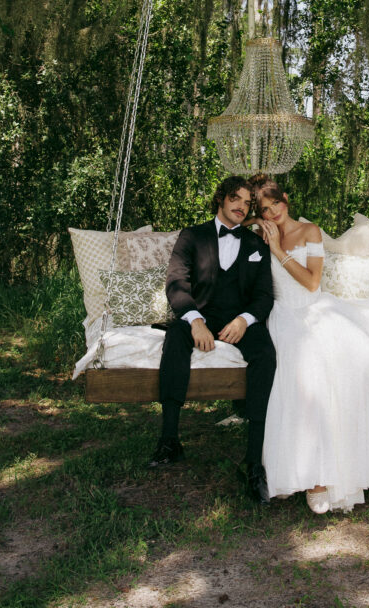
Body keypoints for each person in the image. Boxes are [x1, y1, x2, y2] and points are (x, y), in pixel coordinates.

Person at [251, 174, 369, 513]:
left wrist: (277, 249)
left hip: (316, 307)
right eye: (264, 208)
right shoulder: (260, 236)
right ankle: (313, 476)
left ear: (286, 199)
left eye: (275, 203)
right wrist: (261, 235)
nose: (273, 211)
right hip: (284, 316)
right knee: (305, 371)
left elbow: (312, 282)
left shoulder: (310, 232)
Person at [149, 176, 276, 505]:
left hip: (239, 320)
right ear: (221, 199)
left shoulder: (256, 245)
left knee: (265, 354)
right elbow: (176, 282)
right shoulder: (192, 235)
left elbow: (264, 297)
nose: (241, 206)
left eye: (248, 203)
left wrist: (244, 320)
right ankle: (169, 440)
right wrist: (196, 322)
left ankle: (253, 462)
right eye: (236, 198)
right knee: (174, 340)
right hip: (200, 314)